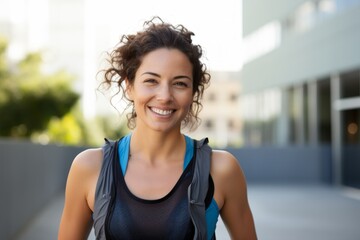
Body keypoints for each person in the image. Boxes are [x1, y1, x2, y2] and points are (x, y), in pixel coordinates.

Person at [58, 17, 257, 240]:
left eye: (180, 83)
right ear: (129, 86)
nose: (164, 96)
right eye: (151, 81)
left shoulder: (221, 170)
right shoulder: (89, 168)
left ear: (193, 93)